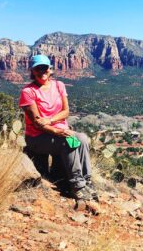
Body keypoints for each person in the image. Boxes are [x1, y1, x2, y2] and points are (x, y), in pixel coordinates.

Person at [19, 54, 96, 201]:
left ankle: (87, 180)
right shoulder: (28, 92)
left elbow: (66, 111)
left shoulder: (59, 85)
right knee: (68, 141)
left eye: (45, 67)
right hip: (37, 137)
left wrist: (50, 120)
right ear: (32, 71)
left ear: (50, 69)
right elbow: (37, 123)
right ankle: (77, 186)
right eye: (37, 68)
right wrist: (56, 131)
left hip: (59, 130)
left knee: (83, 139)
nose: (42, 71)